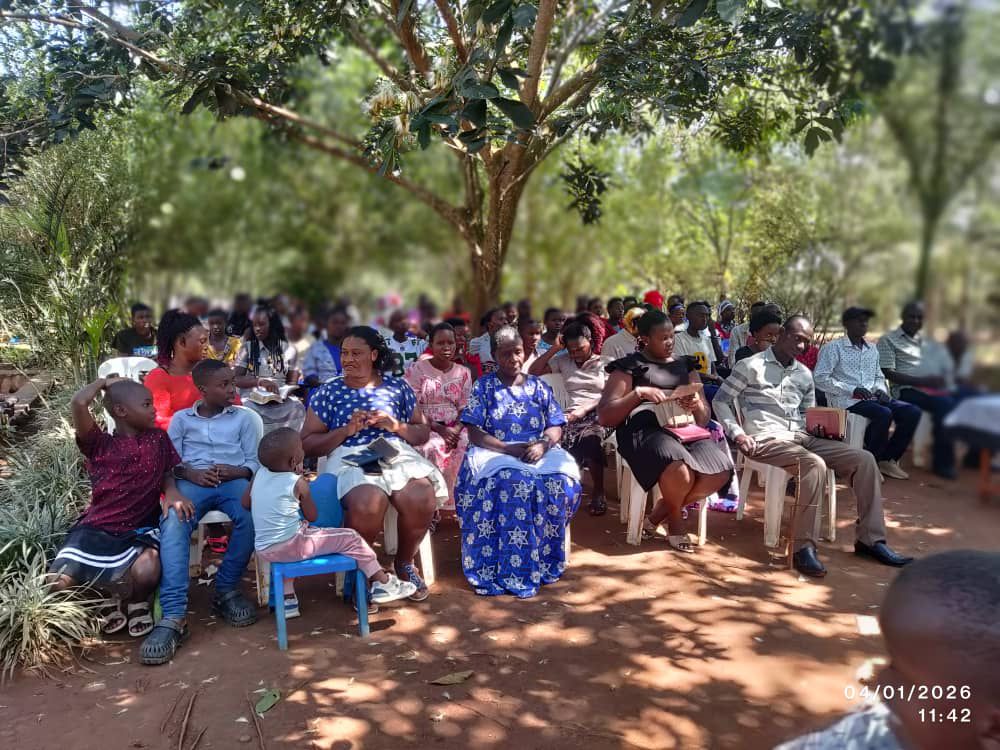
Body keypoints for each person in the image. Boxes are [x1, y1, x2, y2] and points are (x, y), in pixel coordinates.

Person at [714, 316, 913, 577]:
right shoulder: (750, 366)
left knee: (864, 459)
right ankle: (801, 548)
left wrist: (823, 427)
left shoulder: (804, 374)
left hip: (801, 437)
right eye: (796, 338)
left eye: (805, 343)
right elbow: (720, 401)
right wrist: (738, 434)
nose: (800, 346)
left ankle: (870, 539)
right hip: (765, 438)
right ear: (782, 333)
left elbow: (807, 414)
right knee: (812, 464)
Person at [776, 550, 1000, 750]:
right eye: (892, 664)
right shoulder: (869, 735)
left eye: (909, 683)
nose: (882, 683)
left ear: (994, 730)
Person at [301, 326, 446, 601]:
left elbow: (422, 432)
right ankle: (362, 575)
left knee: (421, 494)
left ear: (374, 355)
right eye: (344, 353)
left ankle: (404, 563)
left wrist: (396, 426)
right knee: (368, 500)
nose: (348, 360)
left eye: (357, 353)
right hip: (349, 452)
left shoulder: (397, 387)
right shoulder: (328, 392)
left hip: (392, 450)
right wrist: (345, 430)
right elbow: (306, 442)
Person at [140, 360, 260, 665]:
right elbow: (170, 463)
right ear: (202, 389)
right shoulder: (182, 420)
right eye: (224, 385)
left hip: (232, 482)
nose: (232, 389)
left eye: (232, 383)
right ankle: (174, 614)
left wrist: (238, 470)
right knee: (174, 519)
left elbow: (254, 462)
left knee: (250, 516)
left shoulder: (243, 419)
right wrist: (189, 475)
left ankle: (226, 588)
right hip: (193, 483)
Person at [49, 378, 185, 639]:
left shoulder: (158, 438)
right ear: (121, 411)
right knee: (57, 582)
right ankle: (103, 598)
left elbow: (168, 471)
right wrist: (103, 383)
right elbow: (79, 402)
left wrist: (171, 491)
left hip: (140, 528)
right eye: (146, 404)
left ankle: (136, 601)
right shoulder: (98, 444)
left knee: (148, 569)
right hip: (98, 527)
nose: (154, 409)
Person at [455, 326, 582, 597]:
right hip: (495, 451)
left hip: (538, 450)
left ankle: (545, 560)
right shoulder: (484, 386)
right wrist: (508, 449)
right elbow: (475, 432)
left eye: (518, 352)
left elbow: (556, 424)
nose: (513, 359)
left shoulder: (538, 386)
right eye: (505, 354)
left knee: (561, 482)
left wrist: (544, 444)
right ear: (494, 354)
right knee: (516, 484)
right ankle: (510, 569)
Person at [598, 310, 733, 552]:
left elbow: (703, 419)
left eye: (672, 336)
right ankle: (676, 524)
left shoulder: (685, 365)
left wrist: (697, 404)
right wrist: (638, 394)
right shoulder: (630, 367)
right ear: (646, 339)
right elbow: (606, 415)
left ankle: (660, 512)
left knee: (721, 469)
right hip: (642, 431)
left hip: (683, 428)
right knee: (679, 470)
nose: (670, 342)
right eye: (663, 338)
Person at [246, 428, 416, 614]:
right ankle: (381, 581)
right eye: (301, 449)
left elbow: (245, 503)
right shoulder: (297, 483)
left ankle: (288, 600)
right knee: (351, 537)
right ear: (294, 461)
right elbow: (313, 516)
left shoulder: (258, 476)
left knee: (290, 534)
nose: (303, 451)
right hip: (293, 545)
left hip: (264, 548)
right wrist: (304, 492)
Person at [815, 307, 921, 481]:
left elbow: (879, 376)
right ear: (846, 324)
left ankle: (888, 459)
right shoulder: (833, 348)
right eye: (859, 320)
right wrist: (851, 389)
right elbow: (820, 378)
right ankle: (869, 464)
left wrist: (881, 390)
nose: (864, 323)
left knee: (911, 412)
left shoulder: (872, 349)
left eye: (866, 320)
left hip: (873, 398)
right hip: (846, 400)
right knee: (883, 414)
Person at [529, 314, 611, 516]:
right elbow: (534, 371)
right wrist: (556, 348)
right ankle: (564, 491)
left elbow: (610, 394)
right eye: (571, 350)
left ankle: (599, 491)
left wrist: (584, 409)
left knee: (592, 438)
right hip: (571, 415)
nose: (576, 354)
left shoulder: (606, 362)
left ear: (590, 341)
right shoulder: (563, 360)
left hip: (600, 411)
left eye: (580, 349)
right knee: (556, 440)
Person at [878, 301, 959, 479]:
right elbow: (888, 372)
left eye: (919, 317)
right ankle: (942, 464)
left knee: (961, 399)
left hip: (929, 388)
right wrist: (922, 381)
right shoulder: (889, 339)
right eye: (911, 316)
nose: (915, 320)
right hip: (904, 389)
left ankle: (974, 457)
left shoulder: (925, 342)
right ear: (903, 317)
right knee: (944, 406)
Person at [405, 322, 473, 508]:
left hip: (456, 426)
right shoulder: (416, 370)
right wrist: (439, 428)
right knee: (431, 447)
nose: (446, 347)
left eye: (450, 343)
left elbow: (465, 406)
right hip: (426, 424)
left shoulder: (464, 372)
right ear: (431, 344)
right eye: (440, 343)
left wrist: (456, 430)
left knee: (468, 446)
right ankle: (430, 506)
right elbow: (412, 407)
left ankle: (460, 505)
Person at [234, 307, 304, 433]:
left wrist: (284, 393)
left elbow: (292, 383)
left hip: (280, 401)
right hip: (253, 399)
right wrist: (260, 382)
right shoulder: (248, 349)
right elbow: (236, 378)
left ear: (273, 325)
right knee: (247, 409)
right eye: (254, 325)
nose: (257, 329)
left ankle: (289, 446)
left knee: (297, 407)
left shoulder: (289, 350)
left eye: (261, 324)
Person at [144, 311, 208, 431]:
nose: (207, 346)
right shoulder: (159, 377)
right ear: (182, 342)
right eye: (202, 341)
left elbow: (234, 404)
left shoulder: (210, 372)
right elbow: (159, 422)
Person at [672, 301, 724, 397]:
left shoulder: (706, 340)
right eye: (700, 315)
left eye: (707, 315)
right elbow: (683, 370)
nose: (704, 319)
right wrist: (714, 379)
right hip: (693, 386)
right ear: (688, 316)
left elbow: (712, 368)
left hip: (711, 384)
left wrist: (717, 378)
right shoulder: (678, 339)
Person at [302, 306, 350, 387]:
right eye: (335, 322)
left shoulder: (352, 350)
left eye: (342, 323)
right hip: (321, 394)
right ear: (326, 324)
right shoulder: (315, 348)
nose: (339, 326)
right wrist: (326, 388)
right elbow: (309, 374)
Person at [386, 309, 428, 376]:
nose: (403, 322)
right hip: (391, 385)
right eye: (398, 320)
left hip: (412, 385)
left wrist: (421, 333)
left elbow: (436, 345)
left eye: (405, 319)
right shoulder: (384, 344)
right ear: (391, 325)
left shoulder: (417, 343)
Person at [728, 300, 766, 367]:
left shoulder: (771, 334)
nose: (758, 319)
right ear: (750, 316)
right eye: (755, 315)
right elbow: (732, 361)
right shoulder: (737, 331)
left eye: (762, 316)